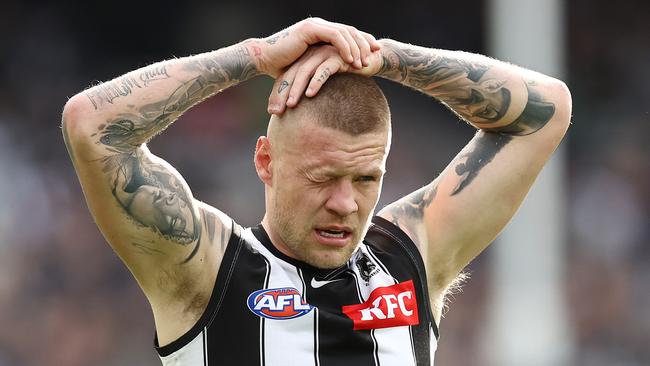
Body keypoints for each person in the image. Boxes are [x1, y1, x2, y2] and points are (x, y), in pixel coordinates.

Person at [62, 17, 571, 365]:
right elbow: (92, 125)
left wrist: (385, 57)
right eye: (322, 178)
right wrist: (256, 56)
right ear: (266, 161)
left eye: (367, 178)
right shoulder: (206, 270)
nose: (346, 204)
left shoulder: (410, 257)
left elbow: (547, 110)